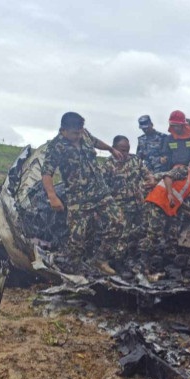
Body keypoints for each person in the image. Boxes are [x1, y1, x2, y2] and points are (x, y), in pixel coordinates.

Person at [41, 112, 126, 275]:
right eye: (75, 133)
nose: (79, 135)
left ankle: (100, 259)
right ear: (63, 131)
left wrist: (110, 149)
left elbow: (95, 142)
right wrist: (52, 196)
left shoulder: (84, 134)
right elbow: (47, 173)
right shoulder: (56, 147)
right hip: (78, 198)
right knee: (77, 237)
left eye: (80, 132)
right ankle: (71, 270)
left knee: (118, 222)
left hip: (100, 192)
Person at [139, 155, 190, 274]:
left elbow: (179, 201)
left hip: (168, 208)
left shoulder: (189, 184)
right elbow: (168, 177)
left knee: (172, 234)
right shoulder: (184, 171)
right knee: (154, 234)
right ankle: (143, 262)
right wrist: (169, 194)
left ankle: (168, 259)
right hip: (159, 202)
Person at [103, 135, 155, 259]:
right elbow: (102, 188)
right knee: (122, 234)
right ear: (114, 148)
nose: (125, 153)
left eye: (127, 149)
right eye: (122, 149)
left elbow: (147, 174)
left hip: (138, 203)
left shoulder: (135, 160)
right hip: (120, 206)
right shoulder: (108, 165)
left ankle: (136, 257)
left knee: (143, 230)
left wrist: (151, 180)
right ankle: (118, 261)